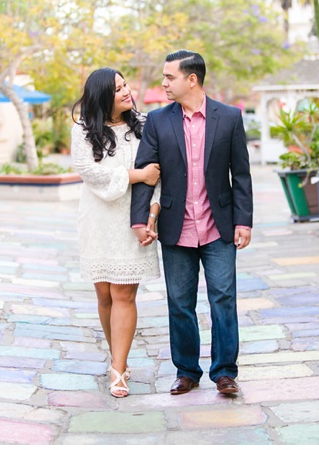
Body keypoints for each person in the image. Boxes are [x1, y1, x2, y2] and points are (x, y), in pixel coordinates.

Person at [131, 50, 253, 396]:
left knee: (223, 298)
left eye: (169, 77)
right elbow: (147, 172)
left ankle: (225, 372)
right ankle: (186, 371)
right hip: (176, 225)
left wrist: (244, 221)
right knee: (180, 302)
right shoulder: (157, 121)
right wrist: (139, 219)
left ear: (191, 79)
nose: (164, 83)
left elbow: (240, 174)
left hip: (219, 226)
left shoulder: (229, 117)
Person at [71, 68, 161, 398]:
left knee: (124, 294)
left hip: (133, 217)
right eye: (117, 88)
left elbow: (160, 173)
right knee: (105, 295)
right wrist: (136, 175)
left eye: (125, 85)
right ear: (102, 96)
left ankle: (118, 368)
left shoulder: (146, 126)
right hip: (97, 218)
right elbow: (88, 171)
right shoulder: (82, 131)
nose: (126, 91)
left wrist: (152, 214)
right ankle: (116, 356)